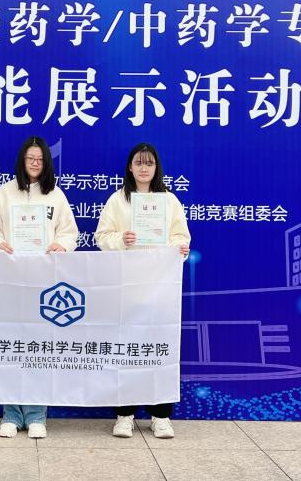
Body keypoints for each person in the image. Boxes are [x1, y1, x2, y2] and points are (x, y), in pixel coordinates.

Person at [0, 136, 78, 439]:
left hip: (43, 282)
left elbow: (69, 232)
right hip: (10, 279)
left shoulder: (55, 195)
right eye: (30, 158)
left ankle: (37, 415)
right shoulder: (5, 193)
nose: (35, 164)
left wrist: (60, 245)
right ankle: (11, 414)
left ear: (46, 162)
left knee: (38, 349)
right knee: (11, 348)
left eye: (40, 159)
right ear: (22, 161)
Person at [95, 142, 190, 439]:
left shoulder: (169, 201)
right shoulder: (118, 200)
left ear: (156, 167)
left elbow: (181, 236)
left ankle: (160, 416)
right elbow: (101, 236)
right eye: (139, 162)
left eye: (149, 163)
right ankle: (124, 414)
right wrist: (121, 239)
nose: (144, 168)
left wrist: (179, 248)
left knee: (160, 348)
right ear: (130, 167)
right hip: (127, 286)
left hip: (160, 287)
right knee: (126, 350)